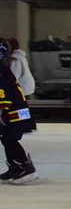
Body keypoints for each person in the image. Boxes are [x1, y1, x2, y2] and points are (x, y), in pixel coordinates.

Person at [0, 41, 38, 184]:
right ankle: (15, 166)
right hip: (15, 109)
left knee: (9, 138)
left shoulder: (0, 70)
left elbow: (3, 94)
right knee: (5, 137)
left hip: (12, 110)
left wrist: (3, 110)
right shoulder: (3, 67)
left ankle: (25, 167)